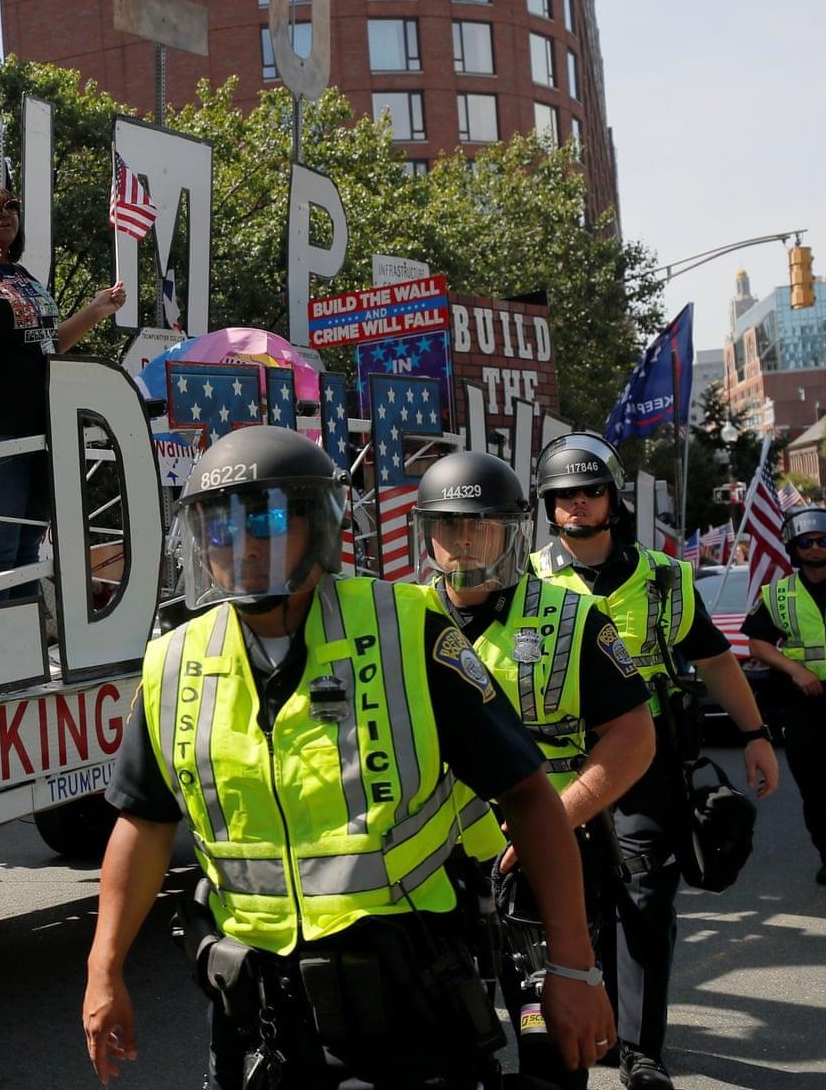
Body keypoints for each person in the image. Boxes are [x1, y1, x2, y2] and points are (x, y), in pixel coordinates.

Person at [84, 426, 613, 1089]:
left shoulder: (406, 628)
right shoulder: (173, 661)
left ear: (315, 526)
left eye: (269, 521)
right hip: (253, 1010)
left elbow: (528, 796)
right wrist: (103, 971)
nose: (244, 546)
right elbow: (144, 824)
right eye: (219, 528)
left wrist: (573, 966)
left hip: (402, 1005)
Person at [528, 432, 778, 1090]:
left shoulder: (665, 579)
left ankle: (640, 1048)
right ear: (547, 507)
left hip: (648, 766)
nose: (577, 505)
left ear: (613, 501)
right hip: (558, 770)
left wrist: (753, 733)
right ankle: (592, 1022)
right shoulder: (524, 581)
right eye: (564, 496)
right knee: (572, 901)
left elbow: (717, 660)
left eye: (590, 492)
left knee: (642, 901)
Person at [412, 451, 656, 1089]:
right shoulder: (397, 623)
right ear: (426, 533)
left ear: (513, 530)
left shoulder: (572, 618)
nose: (465, 543)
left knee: (547, 1041)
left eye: (482, 526)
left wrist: (554, 819)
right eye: (450, 527)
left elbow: (632, 737)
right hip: (435, 872)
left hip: (542, 871)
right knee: (445, 1050)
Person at [0, 180, 125, 603]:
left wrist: (95, 310)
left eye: (12, 205)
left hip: (40, 429)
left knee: (27, 552)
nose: (5, 213)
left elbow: (47, 343)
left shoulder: (21, 275)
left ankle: (23, 656)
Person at [743, 505, 826, 885]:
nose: (815, 548)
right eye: (806, 542)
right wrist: (795, 670)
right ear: (794, 547)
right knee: (815, 788)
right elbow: (758, 644)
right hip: (806, 704)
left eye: (822, 540)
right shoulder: (779, 593)